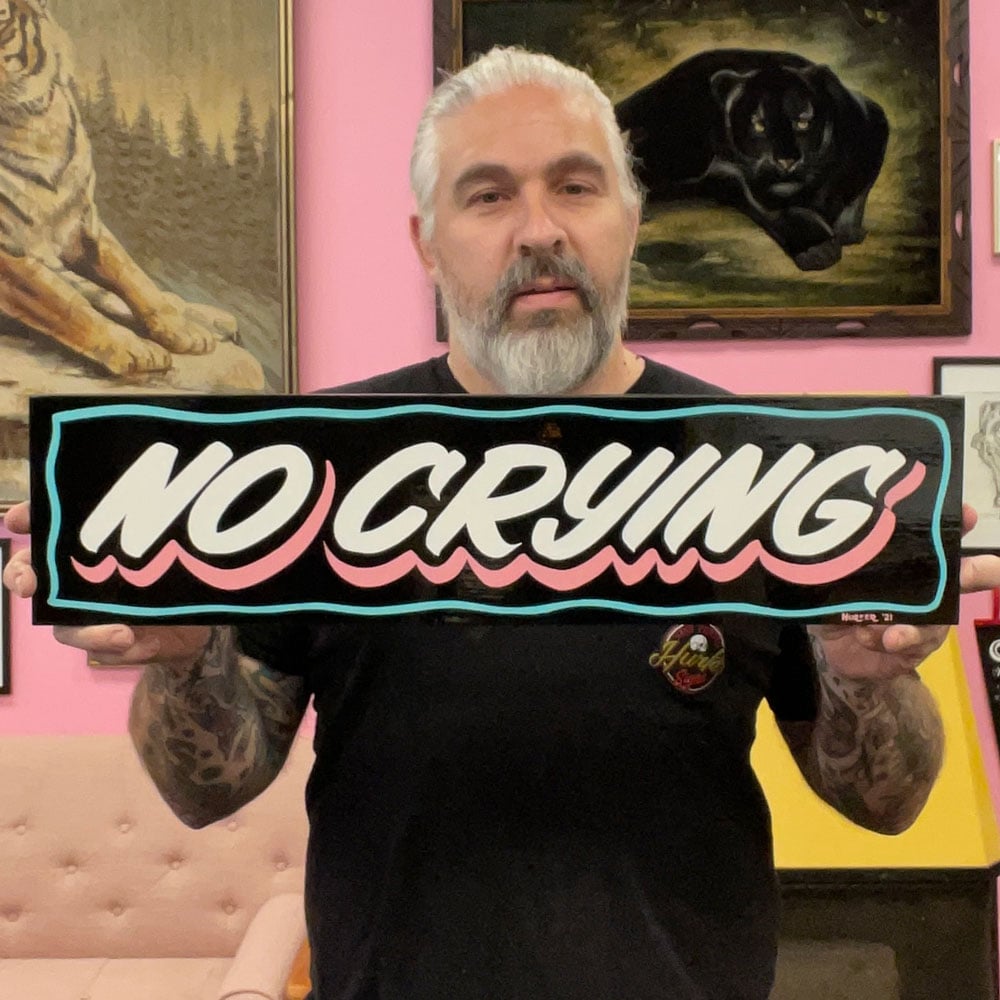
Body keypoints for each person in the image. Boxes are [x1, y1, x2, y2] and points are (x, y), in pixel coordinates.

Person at [4, 46, 1000, 1000]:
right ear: (426, 243)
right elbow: (205, 791)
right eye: (487, 195)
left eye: (576, 186)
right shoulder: (315, 466)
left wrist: (868, 680)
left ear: (631, 216)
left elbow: (888, 804)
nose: (539, 230)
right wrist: (188, 660)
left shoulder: (766, 471)